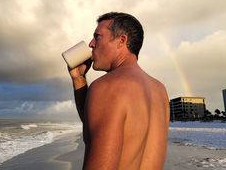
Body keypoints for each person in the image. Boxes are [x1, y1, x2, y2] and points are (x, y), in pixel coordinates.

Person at [68, 12, 169, 170]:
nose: (91, 44)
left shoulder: (107, 86)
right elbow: (94, 128)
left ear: (121, 40)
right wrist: (79, 79)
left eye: (97, 36)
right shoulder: (159, 89)